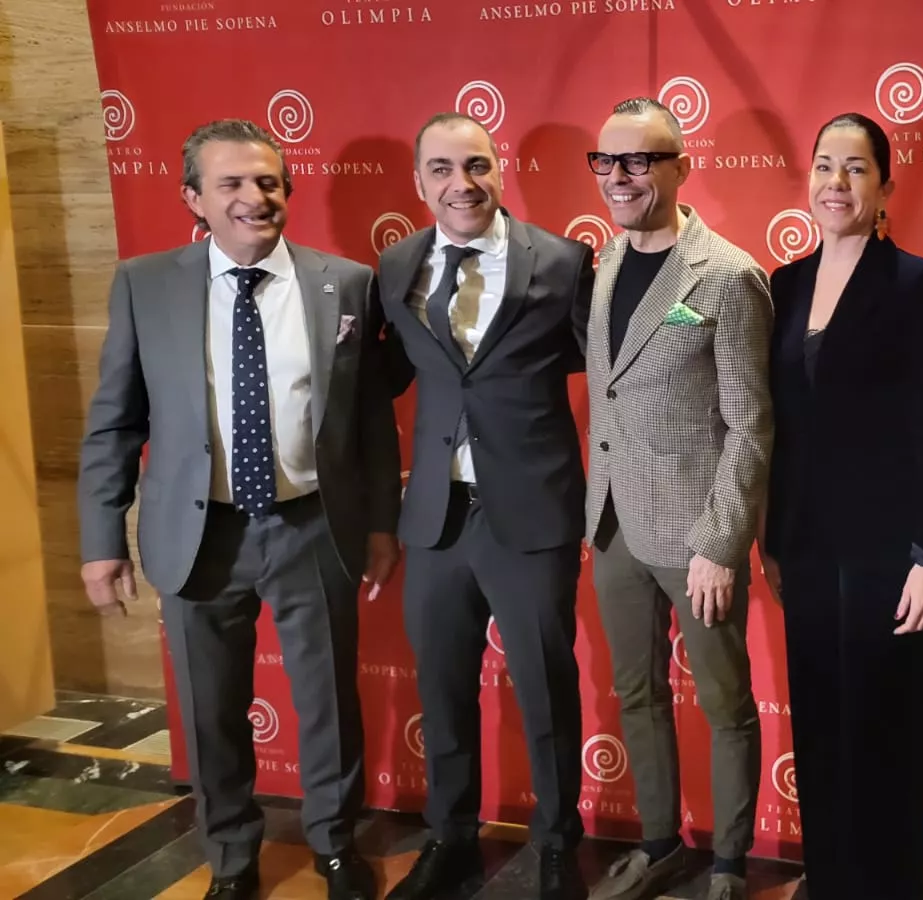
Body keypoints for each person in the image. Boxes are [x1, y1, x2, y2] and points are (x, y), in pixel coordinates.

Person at [77, 119, 401, 900]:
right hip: (197, 533)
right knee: (210, 709)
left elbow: (370, 422)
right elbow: (116, 419)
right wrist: (100, 539)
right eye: (231, 184)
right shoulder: (144, 283)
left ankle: (332, 845)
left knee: (327, 701)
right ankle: (230, 857)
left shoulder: (346, 283)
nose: (255, 198)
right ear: (193, 197)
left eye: (268, 182)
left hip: (314, 525)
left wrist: (382, 523)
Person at [373, 113, 594, 900]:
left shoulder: (564, 261)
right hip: (435, 515)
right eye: (440, 169)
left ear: (499, 169)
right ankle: (451, 836)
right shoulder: (396, 265)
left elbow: (604, 364)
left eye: (475, 165)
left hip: (531, 512)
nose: (459, 184)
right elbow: (385, 379)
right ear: (419, 182)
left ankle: (560, 840)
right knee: (442, 686)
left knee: (544, 685)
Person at [758, 112, 923, 900]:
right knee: (818, 722)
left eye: (855, 169)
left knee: (884, 727)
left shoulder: (917, 282)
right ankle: (831, 877)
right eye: (823, 166)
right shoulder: (786, 282)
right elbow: (781, 421)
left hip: (890, 552)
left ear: (885, 187)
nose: (835, 183)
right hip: (805, 545)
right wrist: (772, 535)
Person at [582, 96, 773, 900]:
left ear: (680, 167)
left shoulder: (727, 274)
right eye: (607, 161)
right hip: (613, 525)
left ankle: (728, 863)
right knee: (637, 692)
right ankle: (659, 843)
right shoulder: (606, 265)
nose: (620, 177)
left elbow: (752, 426)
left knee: (725, 702)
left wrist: (720, 543)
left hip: (697, 538)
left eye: (639, 161)